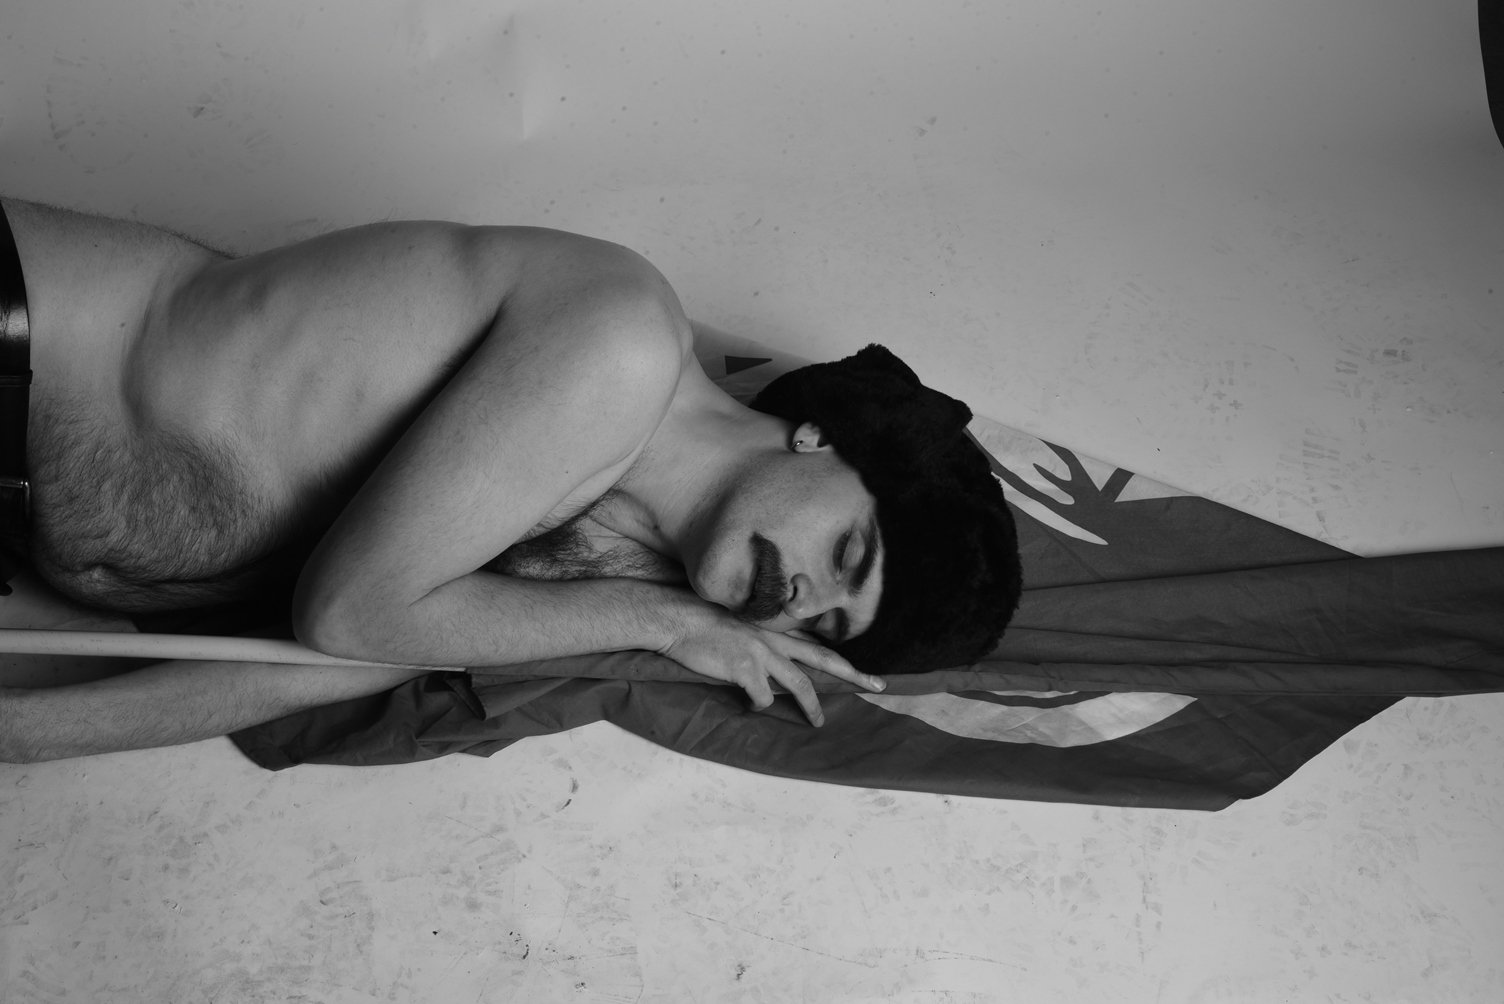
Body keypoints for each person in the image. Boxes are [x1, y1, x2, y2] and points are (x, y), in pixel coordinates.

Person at [0, 196, 1021, 761]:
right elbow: (351, 614)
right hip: (26, 335)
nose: (796, 597)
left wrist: (24, 737)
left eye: (823, 621)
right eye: (847, 552)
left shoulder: (560, 567)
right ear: (823, 439)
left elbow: (336, 655)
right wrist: (662, 623)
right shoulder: (622, 344)